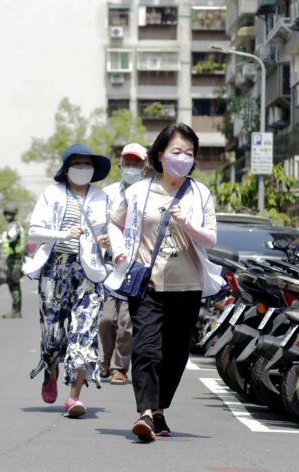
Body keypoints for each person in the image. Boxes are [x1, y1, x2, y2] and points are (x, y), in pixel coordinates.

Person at [105, 123, 224, 441]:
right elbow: (115, 224)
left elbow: (211, 239)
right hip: (147, 283)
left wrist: (187, 223)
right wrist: (118, 252)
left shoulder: (200, 194)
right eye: (177, 151)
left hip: (187, 286)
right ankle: (144, 412)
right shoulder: (138, 192)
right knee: (147, 349)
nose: (183, 157)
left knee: (175, 354)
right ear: (160, 155)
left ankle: (159, 410)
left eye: (189, 152)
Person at [23, 143, 111, 418]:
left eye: (88, 164)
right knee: (52, 334)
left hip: (89, 272)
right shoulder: (52, 194)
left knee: (84, 332)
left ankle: (74, 397)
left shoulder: (102, 198)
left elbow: (111, 233)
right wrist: (63, 234)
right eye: (78, 163)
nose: (83, 168)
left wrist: (107, 243)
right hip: (55, 269)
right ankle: (50, 368)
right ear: (67, 168)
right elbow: (34, 231)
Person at [99, 143, 148, 386]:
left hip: (136, 266)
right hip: (110, 266)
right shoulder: (107, 194)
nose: (131, 168)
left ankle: (120, 367)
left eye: (136, 164)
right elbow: (96, 227)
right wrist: (102, 240)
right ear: (120, 166)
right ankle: (106, 357)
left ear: (145, 168)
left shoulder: (150, 195)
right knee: (106, 319)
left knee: (126, 323)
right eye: (127, 164)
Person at [0, 203, 26, 319]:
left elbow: (12, 237)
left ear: (14, 214)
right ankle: (15, 309)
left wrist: (6, 235)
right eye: (7, 214)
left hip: (15, 259)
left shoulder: (14, 226)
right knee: (12, 283)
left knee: (14, 283)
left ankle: (16, 310)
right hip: (13, 258)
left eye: (10, 214)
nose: (8, 216)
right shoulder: (13, 225)